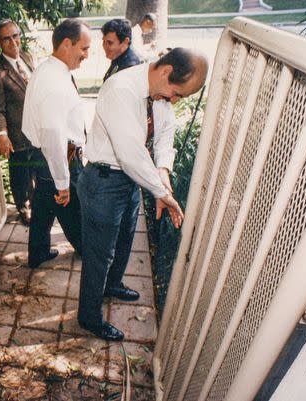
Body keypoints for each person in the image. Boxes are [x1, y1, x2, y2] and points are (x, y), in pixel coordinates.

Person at [77, 48, 208, 341]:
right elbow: (129, 153)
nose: (174, 101)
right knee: (101, 254)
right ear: (165, 71)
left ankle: (113, 285)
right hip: (104, 180)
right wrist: (161, 191)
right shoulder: (121, 89)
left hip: (130, 180)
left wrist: (162, 169)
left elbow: (164, 133)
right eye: (176, 93)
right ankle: (89, 317)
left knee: (124, 240)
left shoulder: (158, 93)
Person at [21, 18, 91, 268]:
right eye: (84, 48)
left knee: (42, 206)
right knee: (72, 208)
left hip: (43, 154)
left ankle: (37, 253)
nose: (86, 55)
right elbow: (53, 135)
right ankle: (87, 249)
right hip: (59, 155)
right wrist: (63, 182)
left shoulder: (48, 70)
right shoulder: (54, 81)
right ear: (66, 44)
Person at [0, 19, 38, 226]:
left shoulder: (26, 57)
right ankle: (24, 208)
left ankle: (39, 205)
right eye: (6, 39)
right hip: (17, 133)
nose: (13, 42)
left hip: (36, 128)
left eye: (15, 36)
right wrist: (2, 135)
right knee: (20, 174)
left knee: (37, 169)